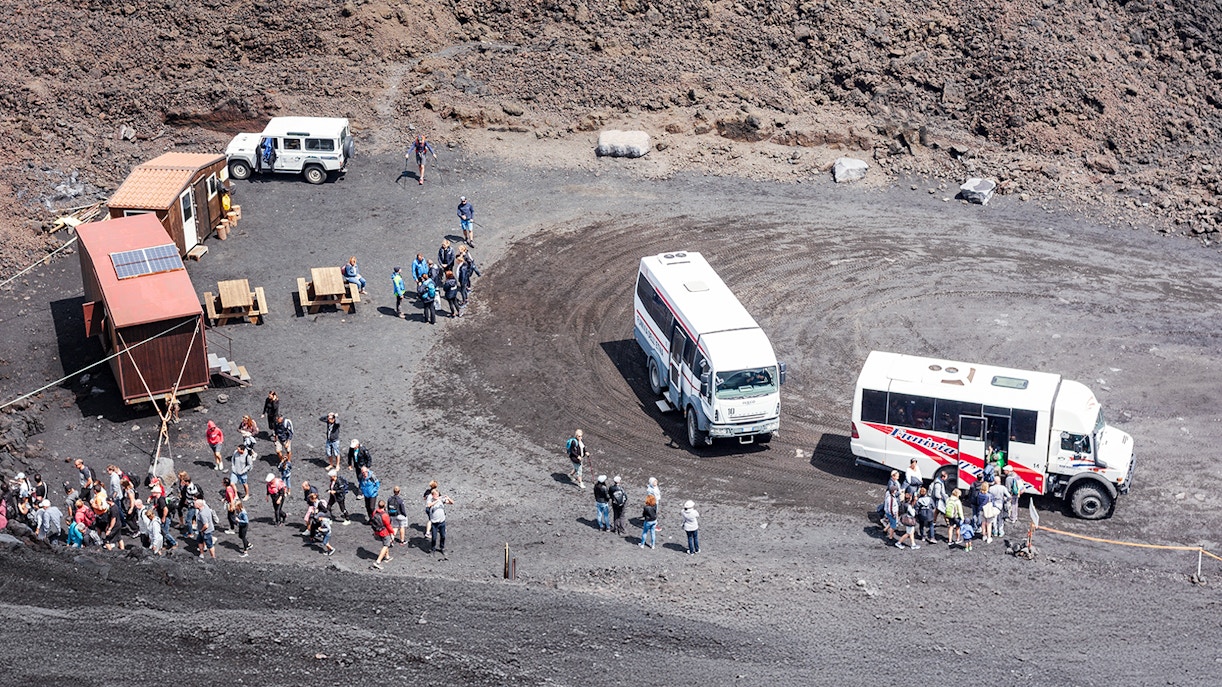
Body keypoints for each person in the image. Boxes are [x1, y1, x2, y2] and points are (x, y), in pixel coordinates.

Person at [426, 488, 454, 556]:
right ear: (433, 495)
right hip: (435, 523)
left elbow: (452, 502)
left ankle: (442, 547)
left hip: (442, 522)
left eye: (438, 495)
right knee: (434, 537)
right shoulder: (431, 501)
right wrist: (437, 500)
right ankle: (433, 549)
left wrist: (448, 498)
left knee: (443, 536)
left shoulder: (441, 500)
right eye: (436, 495)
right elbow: (429, 505)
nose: (438, 496)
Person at [370, 500, 394, 569]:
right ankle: (378, 561)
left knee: (385, 543)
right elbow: (388, 525)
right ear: (384, 506)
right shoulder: (385, 515)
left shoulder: (375, 512)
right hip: (384, 532)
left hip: (377, 531)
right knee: (386, 545)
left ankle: (387, 557)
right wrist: (392, 532)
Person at [274, 415, 294, 489]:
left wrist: (288, 442)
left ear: (281, 419)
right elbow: (275, 431)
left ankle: (288, 461)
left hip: (286, 439)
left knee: (288, 451)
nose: (277, 421)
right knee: (278, 451)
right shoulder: (276, 423)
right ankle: (282, 461)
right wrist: (275, 439)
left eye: (278, 419)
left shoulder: (287, 423)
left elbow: (291, 433)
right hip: (279, 438)